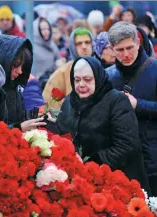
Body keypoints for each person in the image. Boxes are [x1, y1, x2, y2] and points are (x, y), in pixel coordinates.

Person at [45, 57, 150, 192]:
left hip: (118, 183)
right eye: (77, 80)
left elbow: (127, 145)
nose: (81, 84)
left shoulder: (116, 101)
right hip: (83, 182)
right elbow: (64, 131)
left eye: (87, 79)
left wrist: (91, 162)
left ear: (98, 78)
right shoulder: (70, 101)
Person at [106, 21, 157, 196]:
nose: (126, 54)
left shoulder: (155, 69)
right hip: (121, 162)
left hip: (152, 161)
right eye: (120, 50)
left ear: (138, 43)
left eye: (130, 47)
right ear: (112, 49)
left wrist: (138, 105)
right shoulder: (108, 76)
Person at [0, 35, 46, 132]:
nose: (20, 71)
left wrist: (39, 119)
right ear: (2, 62)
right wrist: (19, 127)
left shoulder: (15, 87)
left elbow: (18, 119)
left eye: (22, 66)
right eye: (15, 65)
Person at [42, 27, 95, 110]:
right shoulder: (62, 72)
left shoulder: (101, 70)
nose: (84, 47)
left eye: (87, 42)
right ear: (73, 46)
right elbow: (50, 103)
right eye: (79, 43)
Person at [32, 17, 61, 89]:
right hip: (36, 86)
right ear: (36, 30)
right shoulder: (32, 46)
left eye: (48, 29)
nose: (46, 32)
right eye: (43, 29)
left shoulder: (53, 45)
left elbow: (58, 61)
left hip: (52, 85)